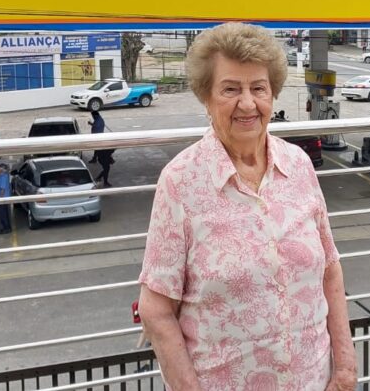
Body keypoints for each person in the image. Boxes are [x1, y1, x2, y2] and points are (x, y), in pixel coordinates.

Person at [137, 23, 356, 391]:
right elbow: (156, 311)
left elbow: (330, 270)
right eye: (230, 89)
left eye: (259, 88)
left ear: (273, 94)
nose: (248, 103)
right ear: (206, 97)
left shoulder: (299, 165)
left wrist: (346, 371)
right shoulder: (181, 182)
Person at [0, 163, 12, 234]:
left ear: (1, 169)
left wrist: (0, 199)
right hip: (4, 199)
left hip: (3, 199)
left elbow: (2, 189)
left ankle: (6, 228)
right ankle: (6, 227)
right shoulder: (1, 176)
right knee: (4, 213)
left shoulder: (3, 177)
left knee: (3, 214)